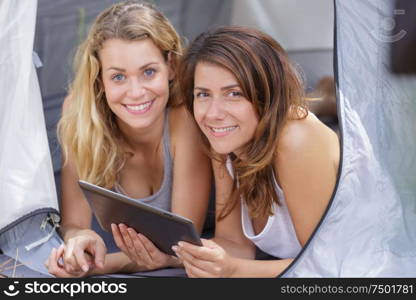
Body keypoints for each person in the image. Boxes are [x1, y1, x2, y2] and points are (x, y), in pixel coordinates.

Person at [45, 0, 211, 277]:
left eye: (148, 72)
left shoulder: (186, 119)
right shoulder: (79, 114)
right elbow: (74, 223)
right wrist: (80, 242)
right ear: (100, 80)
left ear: (170, 66)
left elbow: (181, 248)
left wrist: (96, 267)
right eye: (118, 77)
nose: (136, 92)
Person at [173, 26, 340, 277]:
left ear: (267, 95)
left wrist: (234, 271)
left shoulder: (296, 140)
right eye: (203, 94)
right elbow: (235, 245)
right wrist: (181, 255)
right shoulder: (225, 142)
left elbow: (326, 266)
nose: (213, 113)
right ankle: (326, 96)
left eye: (234, 93)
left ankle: (329, 98)